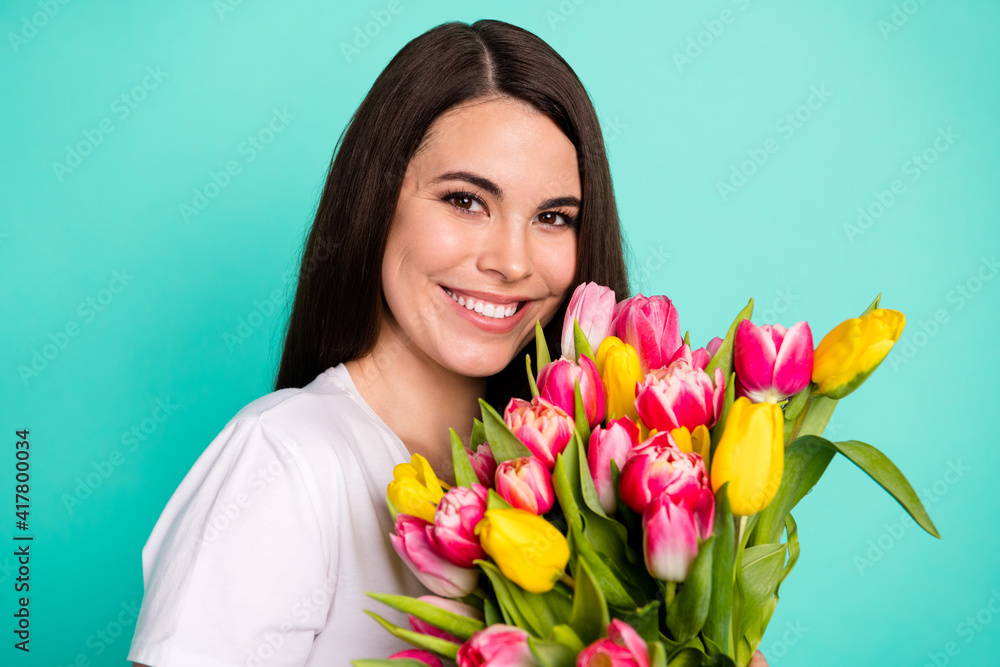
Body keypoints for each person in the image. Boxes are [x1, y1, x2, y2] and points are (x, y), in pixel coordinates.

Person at [128, 18, 766, 667]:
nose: (512, 262)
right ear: (375, 206)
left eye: (552, 217)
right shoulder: (289, 459)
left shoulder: (595, 480)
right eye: (465, 200)